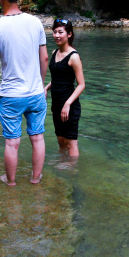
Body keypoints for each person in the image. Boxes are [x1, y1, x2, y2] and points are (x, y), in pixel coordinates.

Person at [0, 0, 47, 186]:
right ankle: (35, 179)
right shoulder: (35, 22)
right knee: (37, 137)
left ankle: (10, 182)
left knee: (12, 142)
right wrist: (40, 84)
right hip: (36, 92)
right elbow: (44, 57)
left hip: (10, 94)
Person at [45, 18, 85, 158]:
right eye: (54, 32)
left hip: (69, 106)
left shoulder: (74, 57)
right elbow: (57, 78)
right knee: (60, 140)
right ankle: (62, 163)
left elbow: (81, 84)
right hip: (56, 104)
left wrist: (68, 103)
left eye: (60, 32)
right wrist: (46, 88)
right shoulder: (54, 53)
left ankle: (73, 170)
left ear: (69, 34)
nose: (56, 35)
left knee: (70, 142)